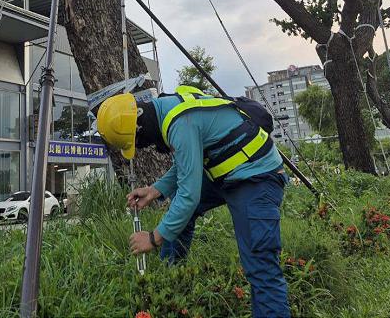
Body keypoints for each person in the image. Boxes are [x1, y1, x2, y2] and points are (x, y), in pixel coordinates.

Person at [96, 86, 290, 318]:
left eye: (138, 142)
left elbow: (189, 196)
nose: (142, 147)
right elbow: (186, 163)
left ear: (139, 127)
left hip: (255, 176)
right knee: (179, 217)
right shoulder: (168, 108)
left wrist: (152, 238)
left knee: (260, 266)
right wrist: (155, 190)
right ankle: (172, 284)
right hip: (224, 170)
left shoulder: (180, 124)